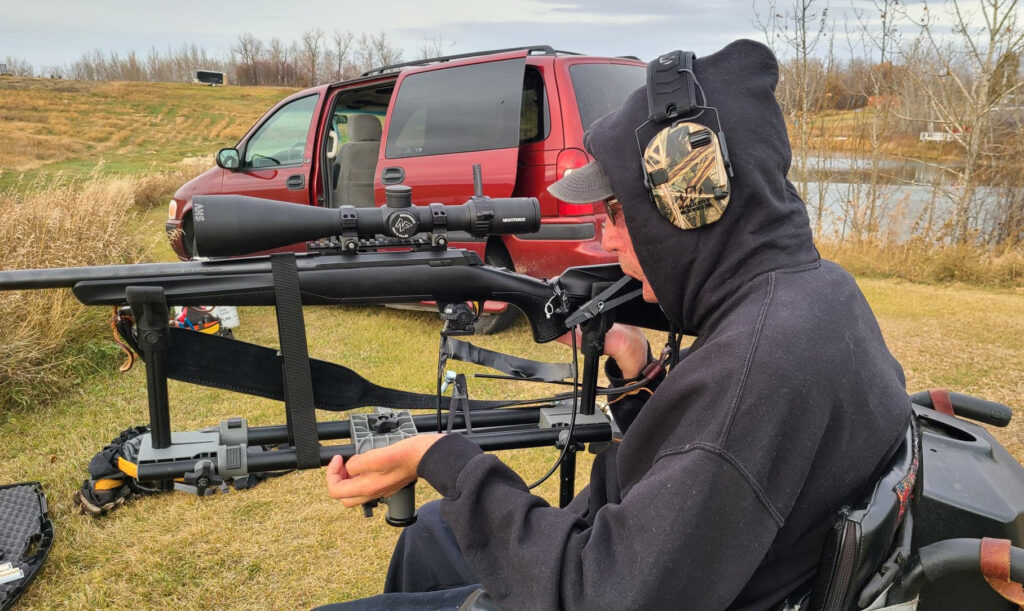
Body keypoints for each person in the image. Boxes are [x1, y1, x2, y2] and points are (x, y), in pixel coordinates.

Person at [321, 39, 911, 610]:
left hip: (598, 580)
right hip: (677, 564)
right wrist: (643, 375)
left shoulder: (759, 368)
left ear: (690, 203)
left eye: (614, 211)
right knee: (430, 535)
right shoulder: (820, 293)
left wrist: (443, 456)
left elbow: (597, 592)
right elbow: (706, 468)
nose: (600, 237)